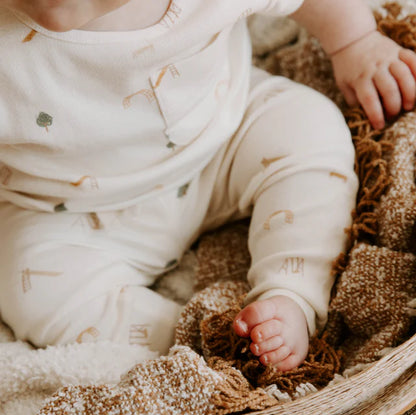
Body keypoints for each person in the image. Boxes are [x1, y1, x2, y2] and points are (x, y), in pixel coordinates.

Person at [0, 0, 414, 372]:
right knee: (29, 289)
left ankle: (292, 293)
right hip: (59, 207)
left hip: (223, 138)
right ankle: (211, 339)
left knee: (311, 127)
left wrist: (355, 41)